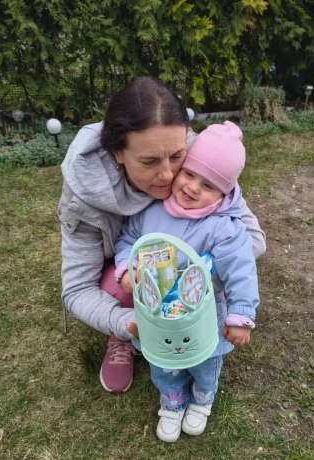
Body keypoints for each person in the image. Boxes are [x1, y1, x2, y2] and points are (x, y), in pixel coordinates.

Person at [58, 76, 266, 395]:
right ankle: (122, 339)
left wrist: (197, 277)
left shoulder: (201, 158)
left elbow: (252, 239)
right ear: (117, 153)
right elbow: (76, 289)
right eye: (149, 161)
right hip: (126, 268)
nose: (169, 175)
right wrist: (128, 322)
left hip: (186, 265)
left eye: (177, 157)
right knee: (116, 285)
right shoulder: (82, 193)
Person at [114, 121, 259, 442]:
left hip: (203, 312)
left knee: (205, 359)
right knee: (163, 360)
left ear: (223, 193)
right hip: (157, 308)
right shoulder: (152, 210)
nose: (193, 187)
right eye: (189, 174)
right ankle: (172, 399)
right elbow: (129, 238)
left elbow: (241, 271)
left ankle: (203, 397)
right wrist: (127, 266)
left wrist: (241, 315)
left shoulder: (224, 228)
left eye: (208, 185)